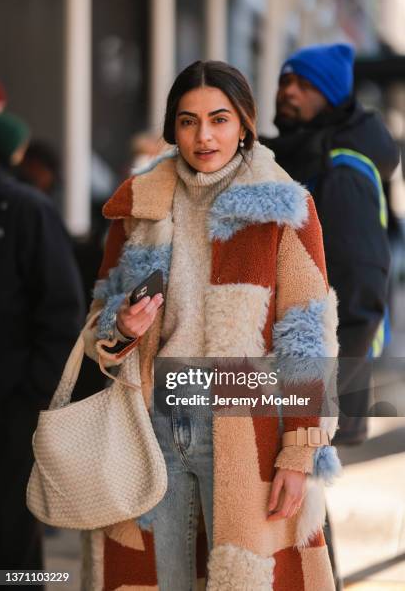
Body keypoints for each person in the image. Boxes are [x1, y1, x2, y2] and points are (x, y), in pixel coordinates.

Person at [81, 60, 340, 590]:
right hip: (152, 423)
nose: (204, 136)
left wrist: (299, 451)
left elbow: (307, 337)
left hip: (248, 428)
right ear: (172, 128)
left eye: (219, 119)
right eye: (187, 120)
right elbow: (98, 327)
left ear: (245, 123)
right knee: (157, 580)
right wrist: (122, 327)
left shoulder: (283, 205)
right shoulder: (141, 204)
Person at [260, 43, 399, 445]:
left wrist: (326, 399)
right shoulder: (304, 157)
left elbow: (360, 285)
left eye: (305, 84)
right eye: (285, 81)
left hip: (315, 381)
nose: (289, 91)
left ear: (333, 96)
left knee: (295, 497)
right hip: (295, 371)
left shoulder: (340, 171)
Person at [0, 110, 85, 582]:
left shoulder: (24, 209)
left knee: (15, 541)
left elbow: (62, 311)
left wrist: (32, 398)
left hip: (12, 411)